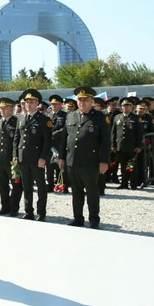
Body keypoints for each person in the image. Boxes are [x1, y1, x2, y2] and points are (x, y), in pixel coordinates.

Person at [58, 86, 111, 229]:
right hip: (72, 161)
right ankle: (78, 218)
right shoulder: (71, 116)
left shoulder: (100, 117)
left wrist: (104, 161)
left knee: (92, 191)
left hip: (90, 162)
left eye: (85, 100)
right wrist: (61, 157)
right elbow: (65, 138)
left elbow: (106, 141)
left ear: (92, 101)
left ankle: (94, 219)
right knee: (76, 191)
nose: (82, 103)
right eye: (80, 100)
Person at [12, 89, 52, 221]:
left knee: (41, 186)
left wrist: (43, 158)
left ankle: (41, 212)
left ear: (37, 104)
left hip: (37, 159)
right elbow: (16, 139)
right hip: (23, 158)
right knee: (26, 186)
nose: (28, 104)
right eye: (26, 102)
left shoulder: (44, 120)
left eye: (32, 102)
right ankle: (28, 211)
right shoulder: (21, 118)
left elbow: (47, 142)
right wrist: (15, 155)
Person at [0, 96, 22, 216]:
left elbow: (18, 141)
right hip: (0, 159)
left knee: (16, 184)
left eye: (5, 108)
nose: (2, 110)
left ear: (12, 108)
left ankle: (14, 208)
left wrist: (16, 157)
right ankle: (5, 206)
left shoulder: (17, 122)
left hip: (12, 159)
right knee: (2, 185)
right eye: (1, 108)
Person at [112, 97, 143, 189]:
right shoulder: (117, 117)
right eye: (123, 106)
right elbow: (113, 132)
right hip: (120, 146)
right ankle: (124, 183)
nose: (125, 107)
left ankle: (133, 183)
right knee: (123, 166)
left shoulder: (136, 118)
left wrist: (138, 146)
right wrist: (113, 145)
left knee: (131, 165)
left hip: (131, 146)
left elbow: (139, 134)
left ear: (131, 107)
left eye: (127, 106)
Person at [46, 94, 67, 192]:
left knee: (60, 165)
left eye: (56, 104)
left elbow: (65, 128)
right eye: (52, 104)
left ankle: (62, 184)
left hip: (59, 144)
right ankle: (50, 185)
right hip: (49, 145)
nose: (54, 106)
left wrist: (55, 134)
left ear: (60, 105)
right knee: (49, 166)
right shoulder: (48, 115)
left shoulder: (64, 115)